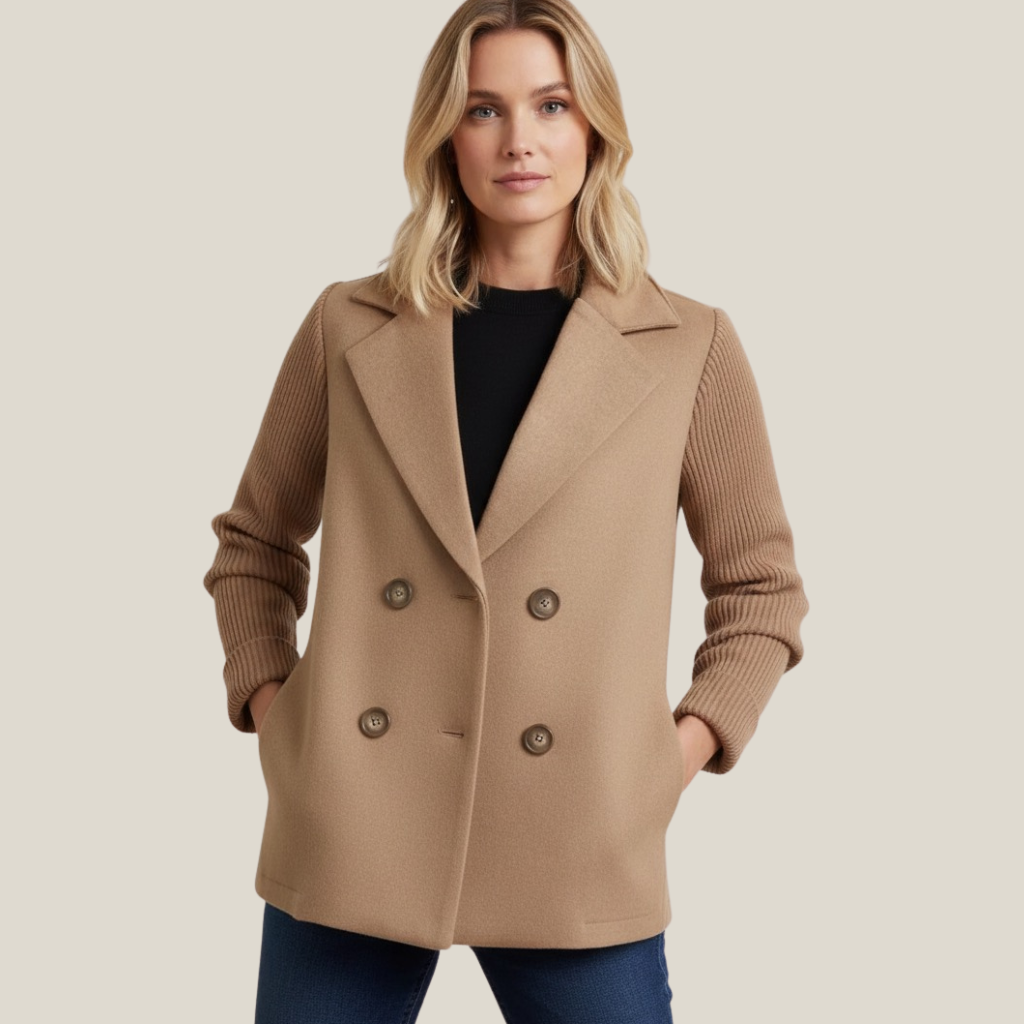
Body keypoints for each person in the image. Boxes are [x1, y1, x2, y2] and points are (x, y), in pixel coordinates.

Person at [202, 1, 809, 1021]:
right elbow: (254, 544)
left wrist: (668, 761)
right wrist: (280, 717)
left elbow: (761, 589)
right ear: (445, 134)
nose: (519, 139)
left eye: (551, 105)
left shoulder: (687, 346)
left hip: (576, 833)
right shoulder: (349, 326)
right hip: (356, 823)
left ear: (595, 128)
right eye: (484, 109)